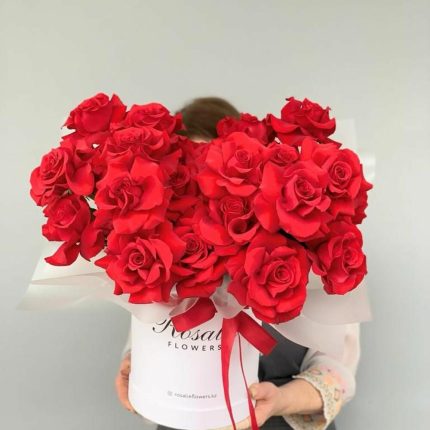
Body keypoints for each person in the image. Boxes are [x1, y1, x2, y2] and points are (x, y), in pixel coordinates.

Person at [114, 97, 361, 430]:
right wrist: (136, 369)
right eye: (187, 177)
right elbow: (144, 339)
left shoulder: (299, 258)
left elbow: (340, 374)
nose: (201, 192)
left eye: (211, 175)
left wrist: (280, 400)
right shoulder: (157, 263)